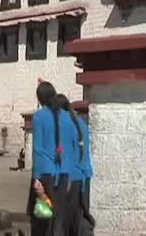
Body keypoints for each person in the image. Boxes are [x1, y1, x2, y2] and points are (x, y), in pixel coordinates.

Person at [27, 81, 80, 236]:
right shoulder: (68, 117)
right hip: (64, 173)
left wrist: (36, 178)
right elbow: (71, 148)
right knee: (59, 216)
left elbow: (38, 149)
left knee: (44, 216)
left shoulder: (39, 117)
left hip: (45, 172)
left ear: (40, 98)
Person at [53, 94, 95, 235]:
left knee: (61, 224)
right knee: (80, 220)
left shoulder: (61, 124)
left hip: (68, 180)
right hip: (83, 178)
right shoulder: (80, 123)